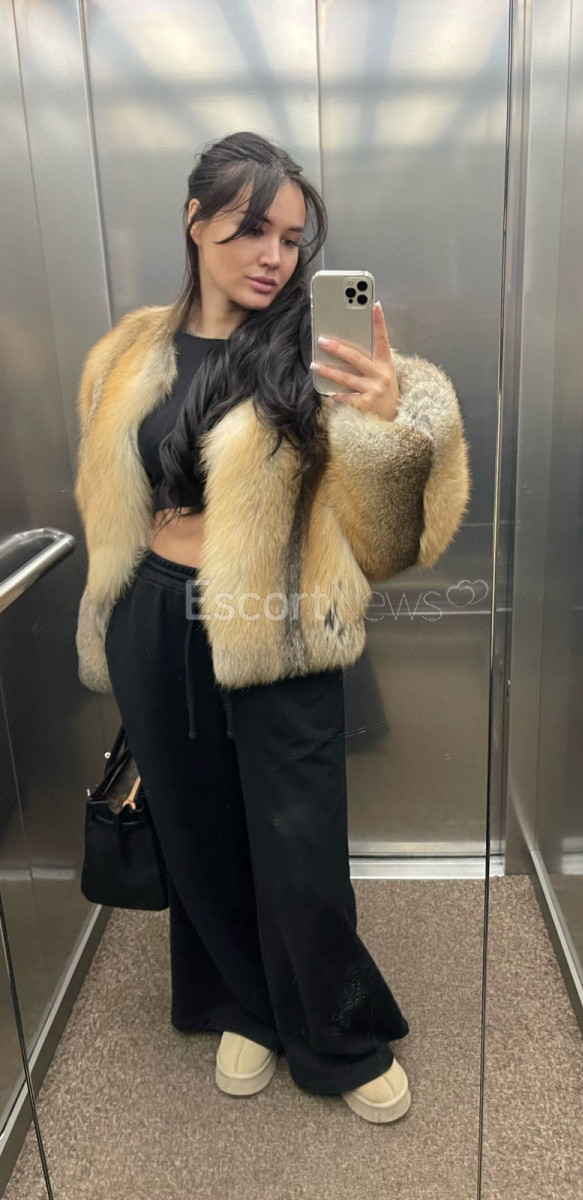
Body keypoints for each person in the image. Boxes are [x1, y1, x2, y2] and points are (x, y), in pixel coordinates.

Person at [73, 131, 471, 1124]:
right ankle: (244, 1004)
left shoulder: (322, 357)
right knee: (199, 832)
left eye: (292, 239)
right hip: (155, 619)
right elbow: (115, 500)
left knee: (300, 846)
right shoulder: (129, 355)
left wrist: (386, 426)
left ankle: (335, 1035)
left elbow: (390, 545)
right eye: (252, 229)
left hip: (277, 623)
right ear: (195, 220)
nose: (274, 257)